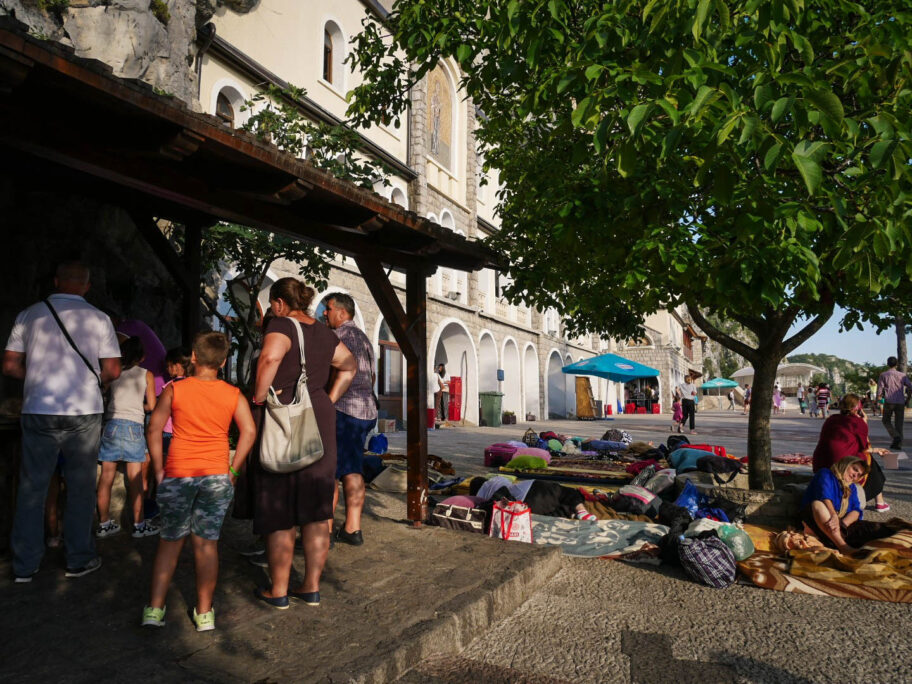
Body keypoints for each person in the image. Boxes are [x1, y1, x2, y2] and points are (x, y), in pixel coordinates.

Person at [3, 262, 122, 582]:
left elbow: (11, 365)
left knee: (31, 488)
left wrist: (40, 379)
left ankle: (25, 566)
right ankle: (77, 559)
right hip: (83, 410)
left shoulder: (28, 315)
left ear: (55, 282)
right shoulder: (100, 319)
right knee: (81, 488)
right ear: (86, 286)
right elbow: (112, 370)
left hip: (38, 409)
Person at [244, 278, 356, 609]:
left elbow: (269, 360)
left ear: (279, 303)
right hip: (319, 417)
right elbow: (349, 366)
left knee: (279, 504)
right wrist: (330, 397)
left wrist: (259, 396)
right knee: (317, 507)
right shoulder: (324, 332)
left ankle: (278, 590)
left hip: (283, 415)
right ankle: (310, 587)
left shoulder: (280, 324)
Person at [141, 332, 256, 631]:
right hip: (216, 476)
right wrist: (234, 470)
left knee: (169, 542)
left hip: (178, 472)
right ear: (223, 361)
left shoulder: (175, 390)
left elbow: (154, 429)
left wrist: (157, 470)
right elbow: (250, 432)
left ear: (193, 357)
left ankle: (155, 609)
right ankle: (204, 613)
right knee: (206, 545)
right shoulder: (232, 394)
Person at [323, 293, 378, 546]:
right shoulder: (364, 338)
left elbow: (331, 373)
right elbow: (373, 377)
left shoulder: (339, 337)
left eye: (329, 308)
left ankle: (324, 531)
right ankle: (352, 528)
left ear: (342, 313)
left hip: (344, 410)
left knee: (330, 472)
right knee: (353, 468)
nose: (325, 313)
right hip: (366, 411)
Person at [96, 336, 159, 539]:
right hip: (134, 426)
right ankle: (139, 525)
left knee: (106, 477)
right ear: (141, 357)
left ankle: (104, 523)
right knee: (136, 480)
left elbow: (101, 395)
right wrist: (136, 407)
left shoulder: (114, 372)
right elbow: (152, 406)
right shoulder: (146, 374)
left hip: (111, 425)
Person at [799, 456, 895, 553]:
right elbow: (825, 497)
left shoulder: (851, 487)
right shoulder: (826, 473)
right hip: (817, 520)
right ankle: (843, 547)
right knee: (817, 504)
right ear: (845, 464)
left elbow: (856, 510)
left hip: (839, 525)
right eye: (854, 469)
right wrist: (834, 516)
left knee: (877, 530)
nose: (855, 476)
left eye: (859, 475)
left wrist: (842, 525)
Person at [812, 394, 890, 511]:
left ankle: (880, 501)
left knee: (867, 458)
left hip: (821, 463)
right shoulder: (856, 422)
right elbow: (864, 447)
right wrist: (864, 423)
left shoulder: (831, 419)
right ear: (857, 408)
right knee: (869, 461)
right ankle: (880, 502)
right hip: (842, 465)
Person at [877, 356, 912, 450]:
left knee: (885, 420)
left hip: (889, 401)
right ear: (896, 364)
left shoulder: (883, 375)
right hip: (900, 402)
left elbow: (880, 389)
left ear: (887, 364)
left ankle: (895, 436)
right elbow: (910, 386)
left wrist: (878, 399)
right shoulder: (902, 375)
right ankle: (898, 444)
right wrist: (908, 398)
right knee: (899, 423)